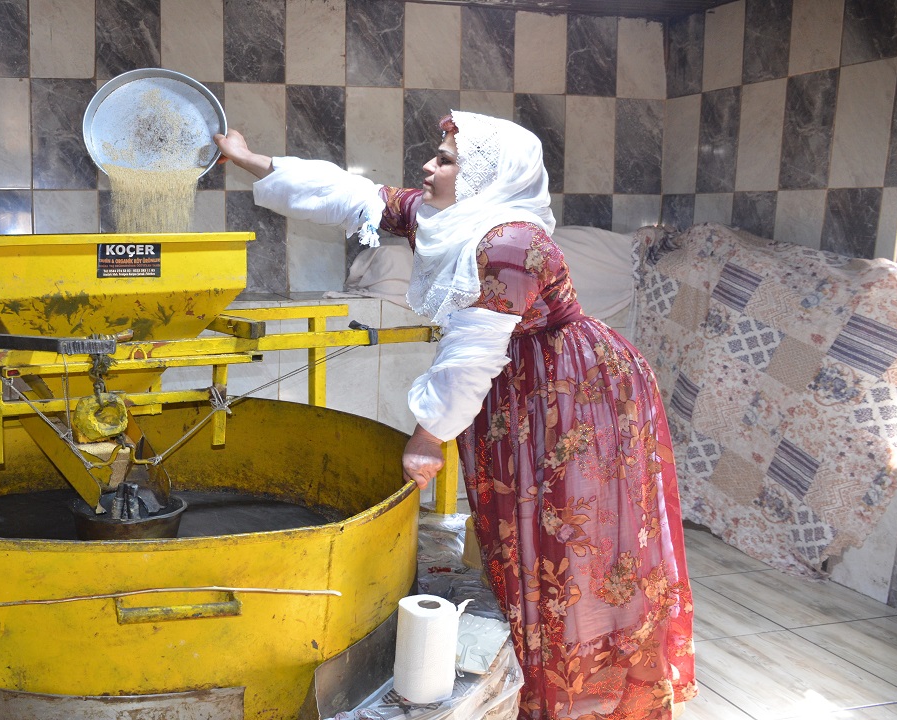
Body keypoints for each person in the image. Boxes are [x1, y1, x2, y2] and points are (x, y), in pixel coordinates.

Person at [215, 112, 695, 720]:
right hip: (522, 386)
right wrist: (249, 157)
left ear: (485, 178)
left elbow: (470, 357)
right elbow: (357, 196)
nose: (428, 166)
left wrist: (426, 438)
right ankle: (538, 664)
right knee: (525, 527)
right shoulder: (457, 220)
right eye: (437, 156)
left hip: (573, 393)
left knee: (572, 537)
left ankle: (579, 693)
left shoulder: (507, 244)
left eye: (446, 159)